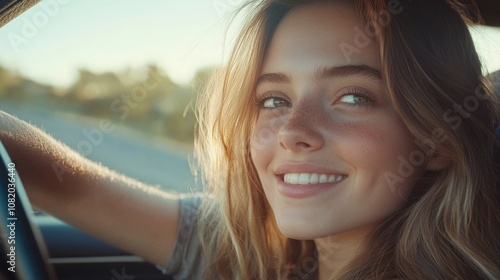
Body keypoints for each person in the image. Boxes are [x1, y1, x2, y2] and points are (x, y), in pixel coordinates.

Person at [0, 0, 499, 279]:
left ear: (435, 139)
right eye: (273, 100)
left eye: (352, 97)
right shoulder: (247, 253)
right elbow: (68, 185)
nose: (293, 132)